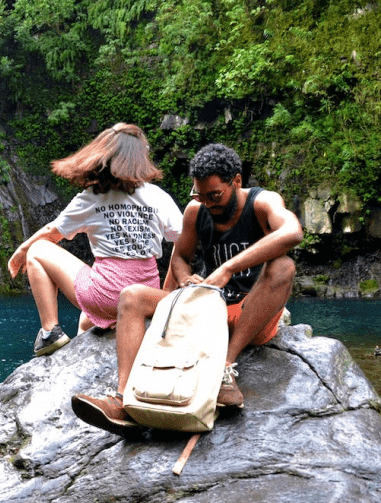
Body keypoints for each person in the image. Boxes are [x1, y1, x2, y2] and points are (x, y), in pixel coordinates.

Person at [72, 143, 304, 430]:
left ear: (237, 181)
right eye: (200, 195)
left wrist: (228, 268)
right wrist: (184, 278)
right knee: (131, 296)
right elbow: (180, 257)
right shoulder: (196, 211)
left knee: (284, 266)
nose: (208, 203)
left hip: (248, 316)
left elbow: (292, 233)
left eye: (215, 195)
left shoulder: (263, 202)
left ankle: (224, 370)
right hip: (205, 314)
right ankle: (124, 400)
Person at [7, 123, 183, 356]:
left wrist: (22, 251)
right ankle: (81, 356)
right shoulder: (157, 196)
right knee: (86, 320)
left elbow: (52, 232)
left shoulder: (93, 197)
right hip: (144, 296)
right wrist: (167, 288)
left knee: (38, 249)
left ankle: (50, 332)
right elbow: (184, 241)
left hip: (104, 295)